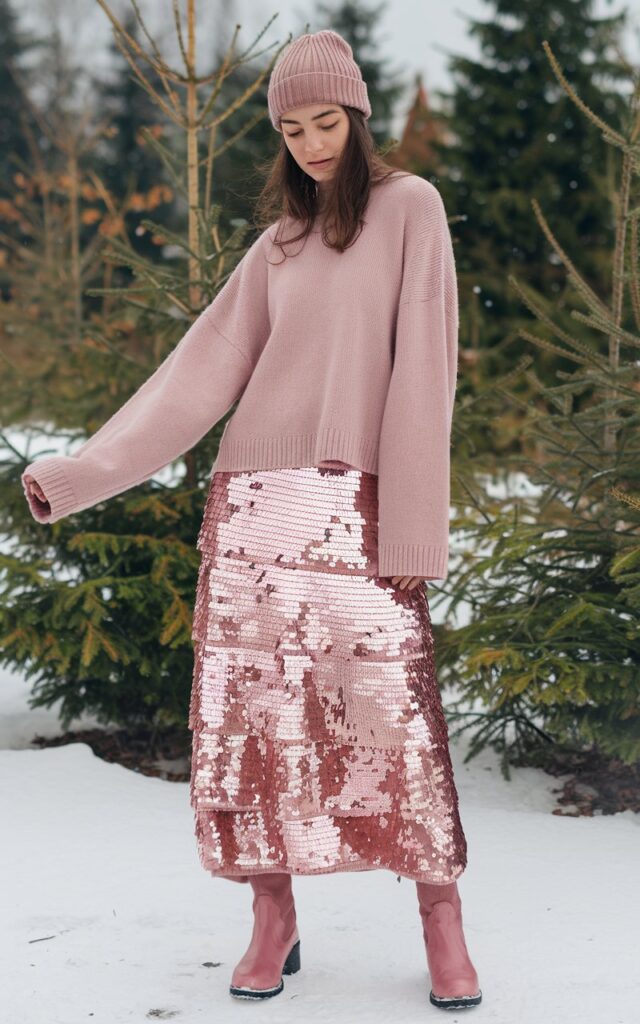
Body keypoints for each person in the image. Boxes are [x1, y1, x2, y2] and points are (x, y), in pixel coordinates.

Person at [22, 28, 481, 1013]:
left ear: (356, 119)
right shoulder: (276, 246)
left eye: (326, 123)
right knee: (256, 734)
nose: (311, 143)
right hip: (255, 515)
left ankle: (441, 919)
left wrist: (409, 528)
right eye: (292, 128)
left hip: (354, 514)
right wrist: (78, 473)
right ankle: (273, 920)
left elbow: (425, 379)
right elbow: (193, 380)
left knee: (393, 726)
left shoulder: (411, 211)